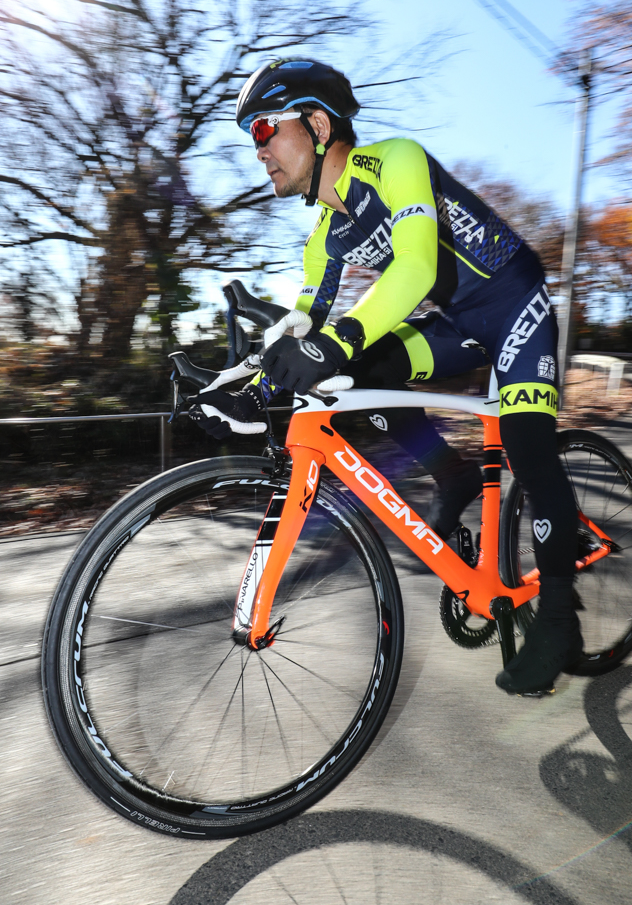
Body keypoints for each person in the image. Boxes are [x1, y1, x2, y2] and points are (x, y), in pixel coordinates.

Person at [191, 58, 582, 695]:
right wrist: (244, 377)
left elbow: (416, 271)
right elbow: (304, 325)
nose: (257, 150)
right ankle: (448, 470)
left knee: (527, 443)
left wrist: (337, 341)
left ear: (317, 125)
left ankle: (561, 617)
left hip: (514, 305)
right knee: (356, 375)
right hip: (457, 323)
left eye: (264, 130)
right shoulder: (325, 235)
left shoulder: (395, 161)